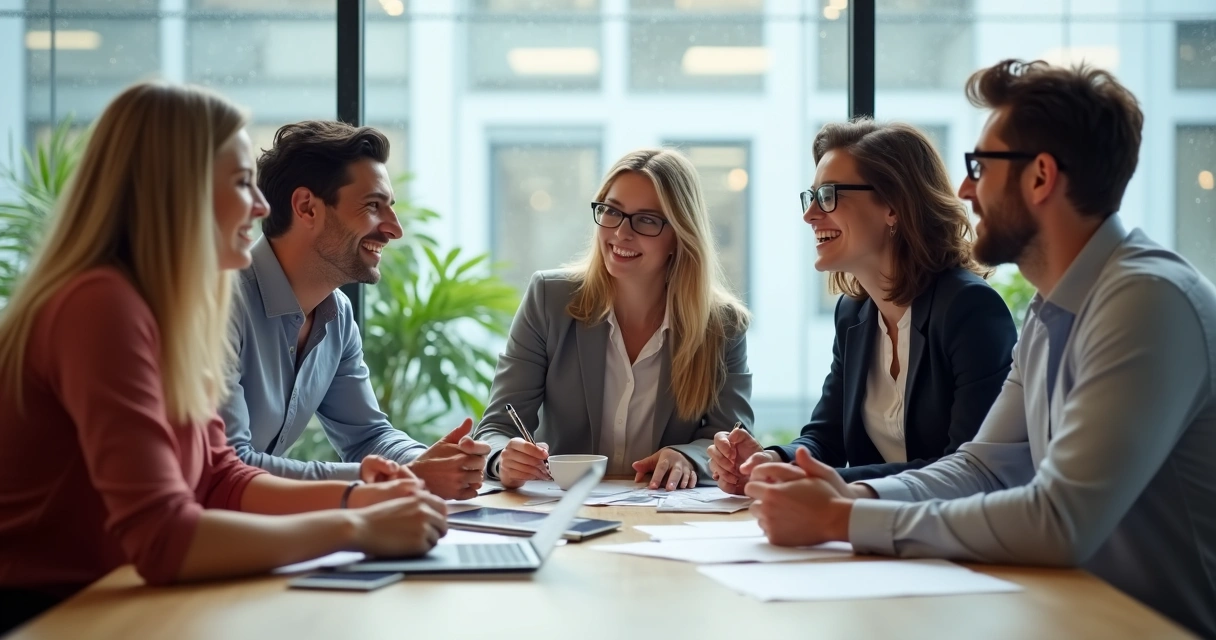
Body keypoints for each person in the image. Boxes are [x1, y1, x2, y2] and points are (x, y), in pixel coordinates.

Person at [744, 59, 1216, 637]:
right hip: (1062, 613)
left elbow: (1059, 520)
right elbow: (981, 467)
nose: (965, 190)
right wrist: (851, 491)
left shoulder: (1146, 301)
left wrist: (843, 519)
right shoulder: (1051, 310)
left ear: (1040, 177)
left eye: (980, 167)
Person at [0, 83, 447, 633]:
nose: (261, 206)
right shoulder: (101, 304)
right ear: (177, 192)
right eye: (240, 183)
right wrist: (354, 526)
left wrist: (359, 496)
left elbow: (219, 478)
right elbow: (164, 536)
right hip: (49, 613)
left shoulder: (172, 308)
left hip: (118, 599)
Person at [708, 120, 1017, 495]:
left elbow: (966, 469)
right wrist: (771, 461)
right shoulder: (853, 313)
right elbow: (827, 437)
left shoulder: (969, 309)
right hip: (872, 524)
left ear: (894, 206)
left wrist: (822, 481)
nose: (810, 214)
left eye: (829, 195)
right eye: (812, 197)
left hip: (945, 526)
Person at [218, 120, 489, 500]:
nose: (394, 229)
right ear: (306, 208)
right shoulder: (220, 305)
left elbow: (367, 436)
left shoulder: (337, 315)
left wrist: (431, 462)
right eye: (373, 206)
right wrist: (402, 478)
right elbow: (230, 467)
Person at [475, 148, 753, 491]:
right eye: (611, 211)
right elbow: (496, 428)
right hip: (564, 506)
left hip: (665, 511)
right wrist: (504, 458)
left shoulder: (722, 325)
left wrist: (688, 457)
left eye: (646, 219)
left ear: (680, 235)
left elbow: (731, 439)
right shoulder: (549, 299)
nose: (621, 233)